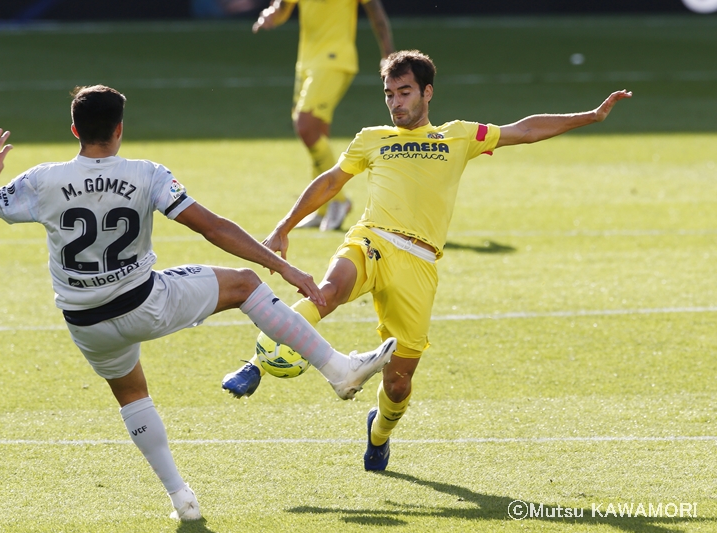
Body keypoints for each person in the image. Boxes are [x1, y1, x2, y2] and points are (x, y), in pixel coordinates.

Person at [0, 85, 397, 520]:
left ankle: (181, 500)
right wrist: (281, 267)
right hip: (145, 302)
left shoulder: (41, 179)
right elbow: (210, 226)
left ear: (75, 129)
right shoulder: (146, 173)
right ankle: (338, 369)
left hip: (85, 322)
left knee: (132, 394)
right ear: (119, 129)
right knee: (245, 284)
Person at [222, 50, 632, 470]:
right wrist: (284, 227)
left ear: (427, 92)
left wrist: (592, 116)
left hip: (419, 263)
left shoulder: (458, 137)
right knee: (328, 291)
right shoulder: (372, 139)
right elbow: (330, 182)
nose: (396, 102)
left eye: (404, 92)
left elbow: (523, 130)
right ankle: (256, 365)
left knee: (398, 384)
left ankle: (379, 432)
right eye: (389, 94)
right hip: (372, 239)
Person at [252, 0, 394, 231]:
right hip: (306, 62)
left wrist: (387, 52)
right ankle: (323, 206)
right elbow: (282, 8)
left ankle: (339, 200)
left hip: (335, 59)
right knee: (318, 134)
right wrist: (269, 16)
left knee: (305, 127)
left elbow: (375, 10)